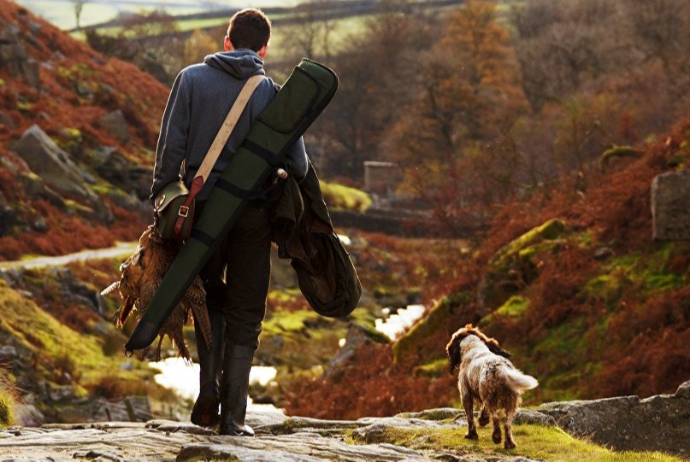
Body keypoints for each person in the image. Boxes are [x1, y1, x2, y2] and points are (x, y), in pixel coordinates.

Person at [150, 8, 308, 436]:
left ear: (225, 42)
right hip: (252, 216)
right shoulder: (272, 93)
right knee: (246, 311)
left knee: (207, 302)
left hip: (201, 213)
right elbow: (298, 162)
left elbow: (169, 153)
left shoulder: (189, 80)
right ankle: (233, 418)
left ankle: (207, 395)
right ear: (263, 50)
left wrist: (165, 205)